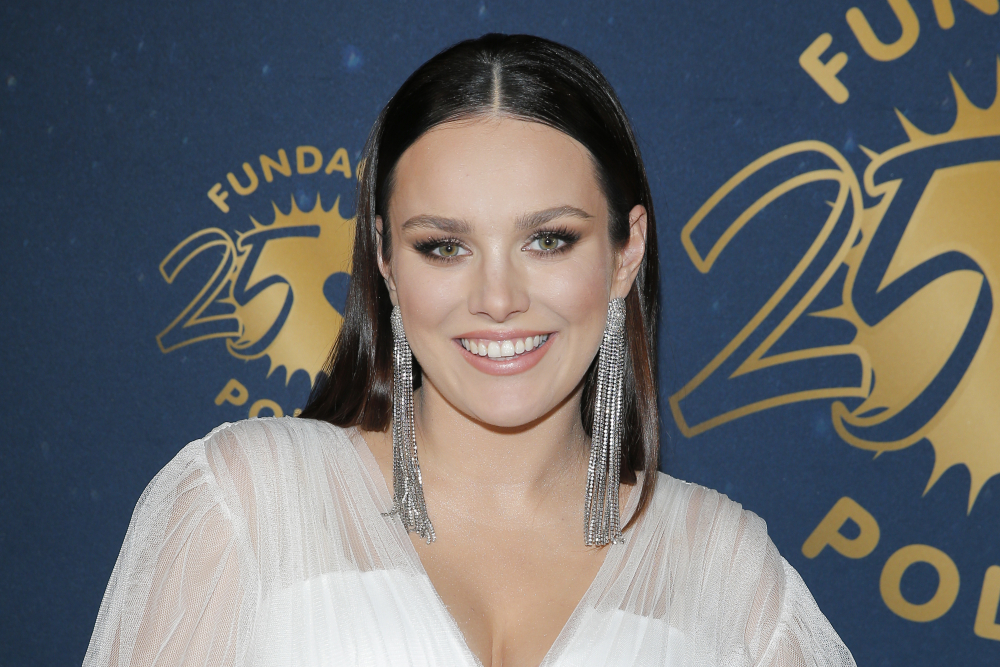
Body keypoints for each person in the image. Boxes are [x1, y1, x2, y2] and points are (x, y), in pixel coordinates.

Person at [84, 34, 856, 667]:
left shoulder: (725, 568)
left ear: (626, 253)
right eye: (445, 246)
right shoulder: (247, 501)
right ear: (386, 259)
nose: (497, 296)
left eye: (549, 239)